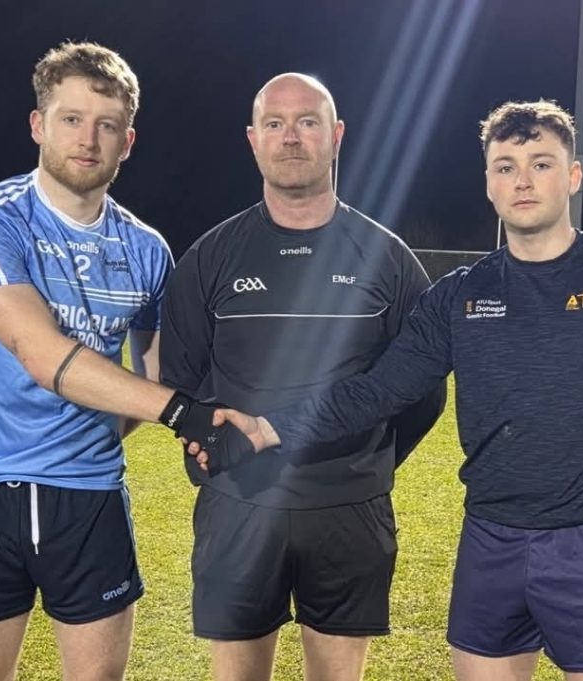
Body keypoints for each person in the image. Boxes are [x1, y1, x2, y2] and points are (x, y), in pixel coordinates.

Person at [208, 100, 583, 681]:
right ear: (488, 184)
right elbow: (376, 392)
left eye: (541, 164)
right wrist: (269, 427)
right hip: (490, 540)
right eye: (505, 167)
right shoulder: (461, 294)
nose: (522, 181)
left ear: (573, 176)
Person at [0, 41, 227, 681]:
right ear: (38, 124)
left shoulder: (148, 250)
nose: (88, 139)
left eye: (107, 125)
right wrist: (185, 414)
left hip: (91, 498)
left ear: (128, 141)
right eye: (71, 119)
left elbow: (155, 373)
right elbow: (39, 352)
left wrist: (105, 430)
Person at [160, 73, 446, 681]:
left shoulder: (388, 259)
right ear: (253, 139)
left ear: (336, 135)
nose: (291, 137)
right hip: (238, 507)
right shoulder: (210, 257)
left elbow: (420, 391)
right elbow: (181, 382)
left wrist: (367, 461)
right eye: (275, 124)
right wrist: (219, 458)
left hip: (349, 511)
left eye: (307, 122)